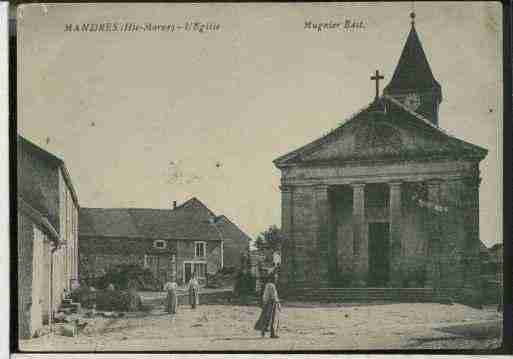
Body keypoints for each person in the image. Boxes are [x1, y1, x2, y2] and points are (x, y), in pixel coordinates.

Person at [254, 274, 281, 338]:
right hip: (271, 303)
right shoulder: (272, 285)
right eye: (275, 278)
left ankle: (263, 332)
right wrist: (278, 303)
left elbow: (264, 296)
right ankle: (272, 333)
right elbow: (273, 296)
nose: (276, 279)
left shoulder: (267, 285)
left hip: (266, 303)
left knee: (265, 317)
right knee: (272, 319)